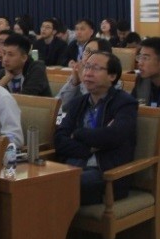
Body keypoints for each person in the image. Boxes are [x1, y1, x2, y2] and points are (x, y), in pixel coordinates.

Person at [54, 52, 139, 205]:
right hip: (74, 165)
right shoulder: (78, 103)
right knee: (39, 182)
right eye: (87, 67)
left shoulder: (124, 103)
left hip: (106, 173)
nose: (88, 73)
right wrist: (90, 148)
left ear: (112, 76)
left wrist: (77, 134)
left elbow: (113, 136)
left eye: (96, 68)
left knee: (59, 186)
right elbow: (60, 140)